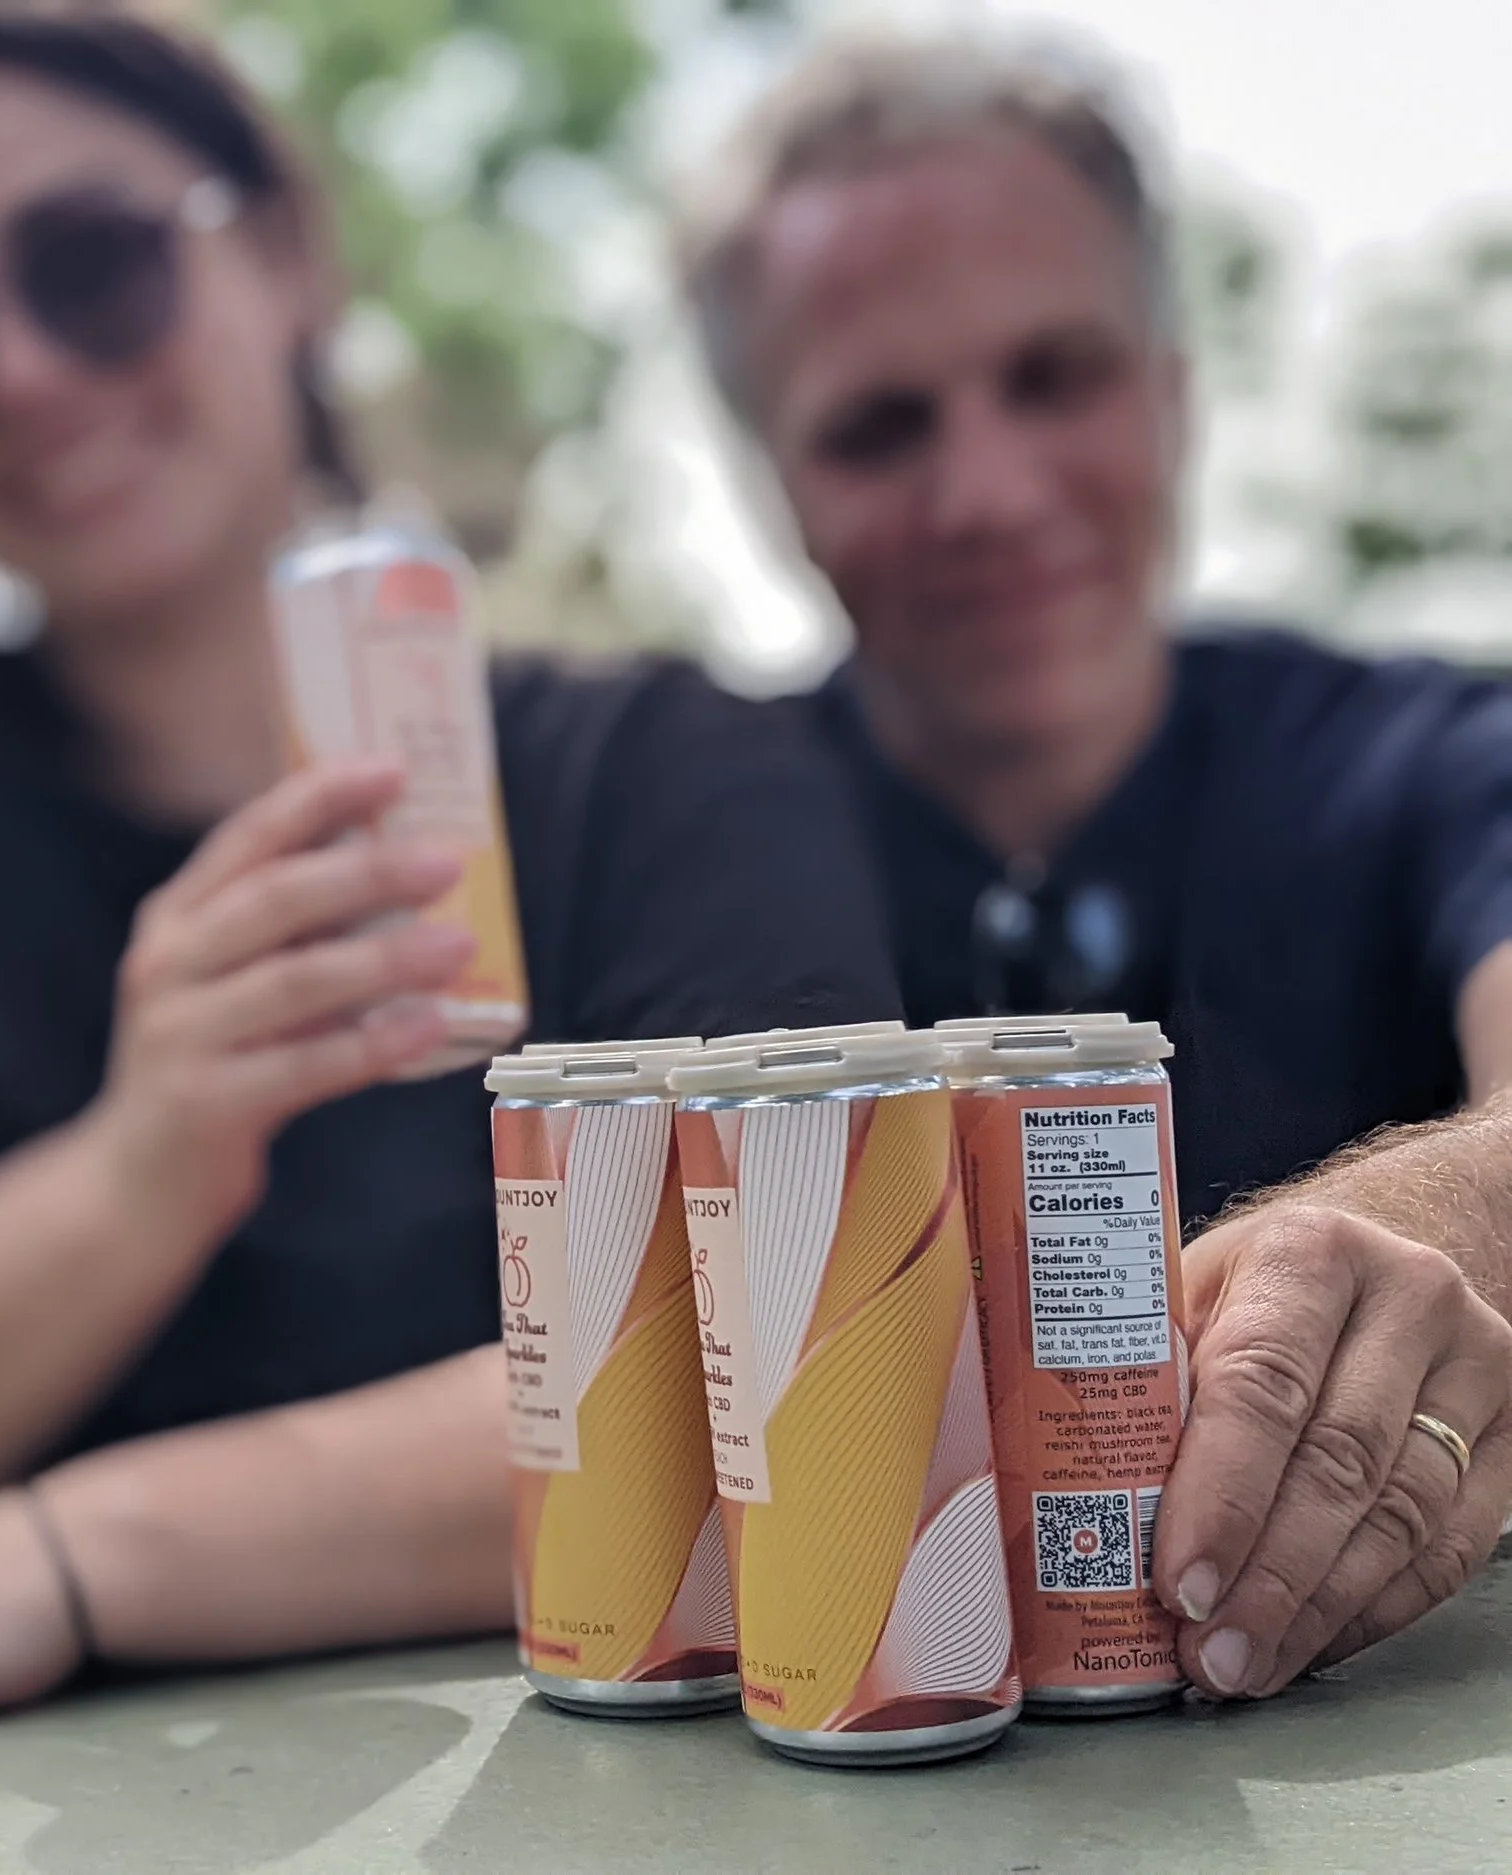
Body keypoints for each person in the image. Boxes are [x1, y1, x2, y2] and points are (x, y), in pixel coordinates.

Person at [0, 13, 899, 1802]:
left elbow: (772, 1392)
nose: (25, 373)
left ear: (284, 251)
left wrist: (61, 1555)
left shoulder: (658, 777)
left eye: (92, 263)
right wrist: (135, 1175)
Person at [679, 33, 1512, 1709]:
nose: (987, 490)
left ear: (1176, 389)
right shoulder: (668, 833)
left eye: (1056, 374)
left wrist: (1430, 1216)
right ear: (777, 490)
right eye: (880, 425)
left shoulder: (1439, 756)